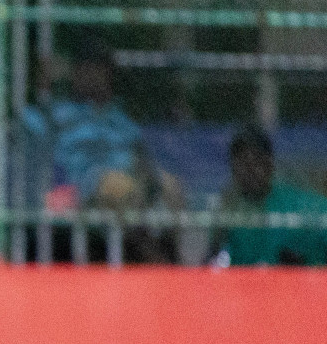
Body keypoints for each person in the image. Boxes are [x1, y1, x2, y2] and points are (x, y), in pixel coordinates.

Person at [22, 49, 184, 262]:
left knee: (172, 187)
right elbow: (12, 127)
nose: (89, 77)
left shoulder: (120, 117)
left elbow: (142, 159)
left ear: (109, 75)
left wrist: (153, 179)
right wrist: (42, 80)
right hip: (81, 186)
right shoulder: (56, 113)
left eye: (95, 70)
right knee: (117, 186)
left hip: (129, 185)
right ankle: (150, 256)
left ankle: (173, 261)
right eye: (82, 70)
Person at [217, 124, 327, 266]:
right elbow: (214, 262)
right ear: (233, 168)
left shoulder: (300, 205)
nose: (250, 171)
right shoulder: (229, 211)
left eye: (257, 162)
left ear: (269, 164)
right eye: (243, 163)